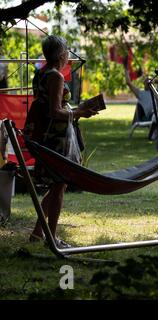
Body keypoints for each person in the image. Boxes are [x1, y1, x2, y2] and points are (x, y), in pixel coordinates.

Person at [24, 35, 98, 247]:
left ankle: (38, 232)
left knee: (58, 184)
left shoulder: (40, 73)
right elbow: (54, 111)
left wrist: (76, 111)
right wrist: (79, 113)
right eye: (67, 50)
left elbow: (46, 105)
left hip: (48, 135)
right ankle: (52, 237)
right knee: (59, 185)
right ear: (61, 54)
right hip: (56, 137)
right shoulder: (55, 76)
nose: (68, 54)